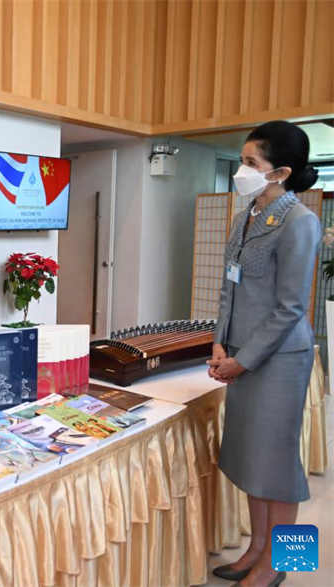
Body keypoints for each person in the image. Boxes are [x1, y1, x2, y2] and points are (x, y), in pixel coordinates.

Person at [208, 121, 320, 587]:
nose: (242, 170)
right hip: (240, 354)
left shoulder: (300, 222)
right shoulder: (246, 214)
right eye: (243, 160)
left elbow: (290, 307)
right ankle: (256, 548)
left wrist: (243, 359)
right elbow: (229, 288)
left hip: (279, 360)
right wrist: (218, 341)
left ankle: (286, 561)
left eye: (252, 163)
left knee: (277, 464)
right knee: (251, 458)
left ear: (282, 172)